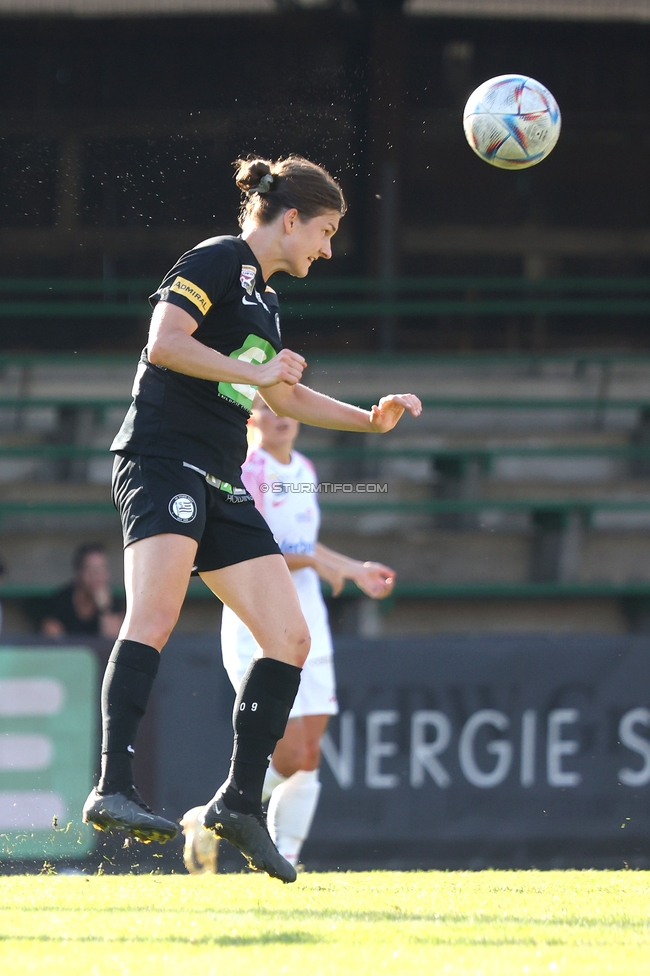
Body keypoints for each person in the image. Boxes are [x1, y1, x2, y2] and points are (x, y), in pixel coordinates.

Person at [81, 154, 421, 884]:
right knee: (156, 615)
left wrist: (371, 420)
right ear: (290, 218)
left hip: (221, 478)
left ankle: (239, 804)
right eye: (325, 232)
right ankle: (112, 788)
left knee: (290, 637)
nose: (327, 249)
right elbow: (163, 344)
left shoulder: (264, 300)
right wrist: (258, 374)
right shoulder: (216, 258)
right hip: (163, 458)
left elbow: (286, 399)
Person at [182, 394, 396, 873]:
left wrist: (353, 569)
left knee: (311, 750)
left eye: (284, 408)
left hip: (308, 614)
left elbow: (305, 543)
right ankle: (214, 813)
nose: (279, 417)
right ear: (249, 417)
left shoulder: (302, 469)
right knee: (291, 750)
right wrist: (325, 563)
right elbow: (263, 546)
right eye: (266, 407)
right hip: (258, 613)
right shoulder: (246, 470)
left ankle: (287, 856)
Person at [41, 543, 123, 639]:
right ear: (79, 572)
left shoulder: (112, 602)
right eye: (91, 570)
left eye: (101, 569)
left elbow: (113, 640)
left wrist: (104, 608)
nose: (96, 577)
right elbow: (51, 637)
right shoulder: (62, 600)